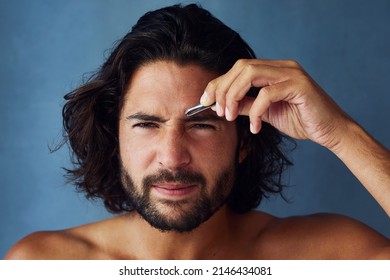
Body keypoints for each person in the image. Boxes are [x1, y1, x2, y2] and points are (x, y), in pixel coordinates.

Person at [5, 4, 389, 260]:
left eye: (202, 125)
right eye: (146, 124)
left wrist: (341, 133)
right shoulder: (44, 263)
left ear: (243, 141)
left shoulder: (326, 257)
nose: (172, 157)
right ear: (115, 138)